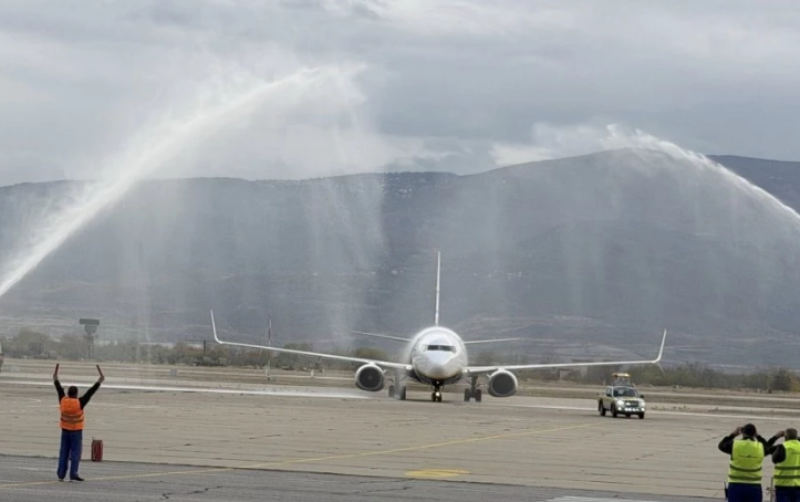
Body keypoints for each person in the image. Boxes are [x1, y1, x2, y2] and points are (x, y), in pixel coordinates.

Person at [53, 363, 104, 482]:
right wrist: (99, 381)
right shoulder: (79, 403)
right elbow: (90, 392)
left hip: (65, 430)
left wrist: (55, 377)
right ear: (76, 394)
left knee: (64, 452)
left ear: (68, 393)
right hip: (76, 431)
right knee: (75, 452)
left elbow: (58, 387)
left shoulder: (63, 401)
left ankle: (61, 474)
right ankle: (73, 473)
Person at [719, 424, 771, 502]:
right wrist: (758, 436)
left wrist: (733, 434)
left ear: (743, 433)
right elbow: (768, 448)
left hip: (736, 485)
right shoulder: (760, 446)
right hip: (754, 485)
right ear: (754, 433)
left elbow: (721, 445)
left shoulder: (735, 444)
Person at [769, 429, 800, 502]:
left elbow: (766, 449)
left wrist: (775, 437)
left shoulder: (781, 447)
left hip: (783, 486)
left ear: (785, 437)